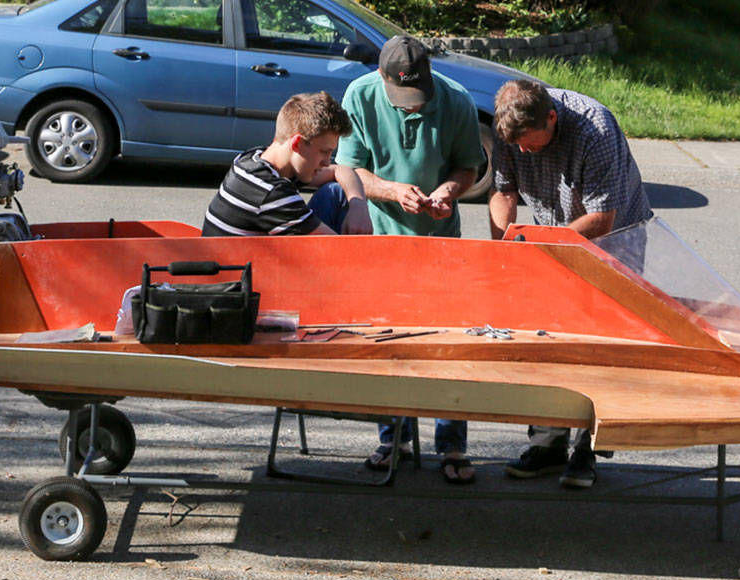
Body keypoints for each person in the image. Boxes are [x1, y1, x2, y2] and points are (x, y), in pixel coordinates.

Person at [487, 77, 654, 490]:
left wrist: (536, 242)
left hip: (616, 239)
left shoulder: (595, 129)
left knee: (600, 346)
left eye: (531, 142)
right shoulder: (510, 127)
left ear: (552, 117)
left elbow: (602, 219)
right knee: (545, 341)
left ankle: (587, 451)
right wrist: (504, 244)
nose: (523, 150)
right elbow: (503, 192)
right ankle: (546, 444)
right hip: (550, 236)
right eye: (517, 144)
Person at [337, 34, 485, 484]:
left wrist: (449, 190)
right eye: (403, 99)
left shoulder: (455, 99)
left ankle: (452, 444)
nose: (413, 106)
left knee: (445, 344)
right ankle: (394, 437)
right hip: (381, 240)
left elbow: (469, 166)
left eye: (419, 96)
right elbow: (348, 167)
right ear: (381, 77)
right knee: (390, 343)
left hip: (441, 240)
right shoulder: (359, 96)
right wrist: (390, 190)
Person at [203, 91, 369, 238]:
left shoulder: (252, 158)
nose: (327, 162)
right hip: (241, 271)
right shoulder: (271, 193)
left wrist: (358, 205)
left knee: (336, 192)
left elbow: (341, 170)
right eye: (324, 151)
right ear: (297, 144)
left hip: (243, 259)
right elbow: (341, 251)